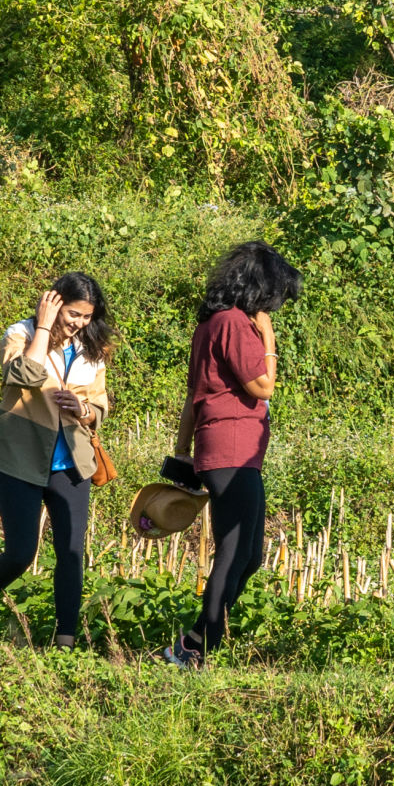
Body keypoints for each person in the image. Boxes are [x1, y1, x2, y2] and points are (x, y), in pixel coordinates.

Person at [161, 241, 302, 668]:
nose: (274, 309)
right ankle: (197, 646)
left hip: (219, 447)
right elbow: (263, 386)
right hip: (233, 448)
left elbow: (192, 395)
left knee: (249, 553)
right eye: (275, 300)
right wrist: (270, 340)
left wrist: (183, 448)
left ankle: (196, 640)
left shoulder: (209, 324)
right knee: (235, 551)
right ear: (261, 291)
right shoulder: (235, 324)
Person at [0, 274, 113, 651]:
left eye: (86, 317)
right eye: (73, 313)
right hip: (19, 459)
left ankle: (65, 644)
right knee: (21, 552)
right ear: (53, 303)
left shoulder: (92, 348)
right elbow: (22, 375)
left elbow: (100, 403)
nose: (78, 323)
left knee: (72, 553)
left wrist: (85, 409)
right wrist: (44, 327)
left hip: (73, 461)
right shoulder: (21, 335)